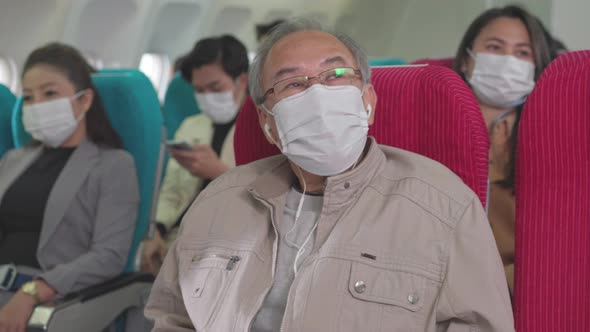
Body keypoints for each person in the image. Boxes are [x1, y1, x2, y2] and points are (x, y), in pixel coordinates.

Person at [145, 18, 513, 331]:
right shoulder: (220, 201)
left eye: (336, 74)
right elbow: (172, 318)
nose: (317, 94)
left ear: (367, 102)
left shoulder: (444, 205)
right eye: (293, 84)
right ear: (267, 123)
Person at [0, 43, 139, 331]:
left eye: (50, 93)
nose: (37, 105)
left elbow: (109, 255)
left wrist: (34, 291)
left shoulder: (113, 165)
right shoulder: (14, 160)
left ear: (84, 100)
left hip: (55, 301)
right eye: (27, 97)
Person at [453, 5, 553, 293]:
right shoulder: (428, 123)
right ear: (466, 59)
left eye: (523, 53)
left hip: (524, 290)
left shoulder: (556, 137)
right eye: (495, 47)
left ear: (537, 66)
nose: (509, 61)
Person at [141, 35, 249, 274]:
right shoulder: (191, 126)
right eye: (200, 90)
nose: (207, 97)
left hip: (230, 244)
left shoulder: (263, 130)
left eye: (215, 88)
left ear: (242, 81)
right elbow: (172, 191)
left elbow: (268, 203)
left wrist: (219, 173)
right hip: (180, 237)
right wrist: (155, 230)